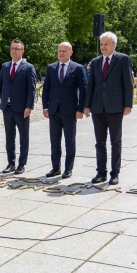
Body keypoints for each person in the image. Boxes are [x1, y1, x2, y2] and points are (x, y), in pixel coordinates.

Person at [84, 32, 133, 185]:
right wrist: (86, 105)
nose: (103, 47)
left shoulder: (123, 59)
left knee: (115, 141)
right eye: (101, 44)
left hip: (115, 107)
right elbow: (90, 84)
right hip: (98, 107)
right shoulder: (96, 61)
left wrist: (128, 105)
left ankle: (115, 173)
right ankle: (101, 172)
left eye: (106, 44)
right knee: (99, 142)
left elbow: (128, 84)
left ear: (114, 45)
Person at [42, 42, 86, 179]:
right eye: (59, 51)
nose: (61, 53)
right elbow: (46, 89)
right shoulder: (51, 68)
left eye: (64, 51)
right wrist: (45, 107)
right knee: (54, 141)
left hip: (70, 111)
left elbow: (84, 90)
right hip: (54, 110)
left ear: (70, 53)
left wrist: (80, 109)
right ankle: (56, 168)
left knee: (69, 141)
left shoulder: (78, 68)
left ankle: (68, 169)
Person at [0, 39, 36, 175]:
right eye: (12, 48)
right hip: (7, 107)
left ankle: (21, 164)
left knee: (24, 137)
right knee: (9, 137)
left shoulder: (28, 67)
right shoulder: (5, 66)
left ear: (22, 51)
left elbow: (32, 89)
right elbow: (0, 86)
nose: (14, 51)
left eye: (17, 48)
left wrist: (29, 106)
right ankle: (11, 163)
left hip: (21, 108)